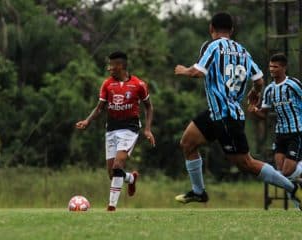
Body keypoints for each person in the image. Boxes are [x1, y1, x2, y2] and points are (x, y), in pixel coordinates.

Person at [173, 12, 301, 209]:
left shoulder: (213, 46)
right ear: (231, 30)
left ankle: (292, 188)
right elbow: (259, 80)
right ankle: (199, 192)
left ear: (211, 28)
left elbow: (198, 72)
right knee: (188, 143)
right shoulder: (243, 51)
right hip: (215, 112)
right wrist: (254, 92)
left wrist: (183, 70)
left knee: (246, 163)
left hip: (226, 116)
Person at [76, 51, 155, 211]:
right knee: (112, 174)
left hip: (130, 129)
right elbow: (99, 108)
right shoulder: (107, 84)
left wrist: (147, 129)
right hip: (111, 129)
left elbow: (149, 106)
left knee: (118, 164)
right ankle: (131, 178)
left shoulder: (139, 85)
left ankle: (111, 206)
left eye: (111, 65)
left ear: (120, 66)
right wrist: (87, 121)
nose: (109, 68)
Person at [248, 53, 302, 199]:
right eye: (270, 66)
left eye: (275, 67)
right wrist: (254, 110)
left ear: (284, 68)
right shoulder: (269, 89)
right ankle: (299, 202)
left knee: (287, 172)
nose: (271, 69)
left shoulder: (293, 84)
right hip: (280, 134)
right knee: (281, 172)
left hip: (296, 132)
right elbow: (263, 114)